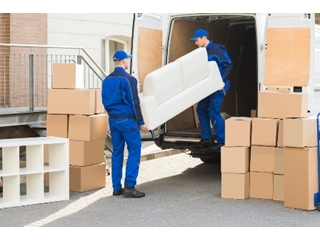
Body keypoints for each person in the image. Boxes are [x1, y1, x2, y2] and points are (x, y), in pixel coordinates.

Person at [101, 50, 149, 198]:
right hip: (127, 120)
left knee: (117, 152)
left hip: (113, 120)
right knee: (135, 149)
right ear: (123, 61)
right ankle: (129, 186)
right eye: (127, 59)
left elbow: (104, 101)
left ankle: (116, 188)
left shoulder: (106, 80)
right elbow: (135, 103)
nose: (128, 62)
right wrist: (141, 122)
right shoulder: (129, 80)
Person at [190, 29, 233, 150]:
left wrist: (220, 80)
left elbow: (229, 65)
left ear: (204, 38)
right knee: (201, 108)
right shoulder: (201, 53)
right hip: (208, 87)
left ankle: (222, 141)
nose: (195, 43)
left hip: (219, 86)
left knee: (213, 111)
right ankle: (207, 138)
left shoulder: (217, 49)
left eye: (196, 40)